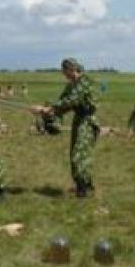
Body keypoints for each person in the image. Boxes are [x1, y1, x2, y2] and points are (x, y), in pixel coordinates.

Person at [31, 58, 99, 198]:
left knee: (78, 156)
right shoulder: (71, 85)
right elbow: (62, 102)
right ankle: (86, 185)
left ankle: (83, 190)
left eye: (65, 71)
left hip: (87, 122)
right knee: (76, 155)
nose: (64, 74)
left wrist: (51, 107)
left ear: (72, 69)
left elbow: (72, 100)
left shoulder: (85, 82)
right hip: (78, 121)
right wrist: (45, 110)